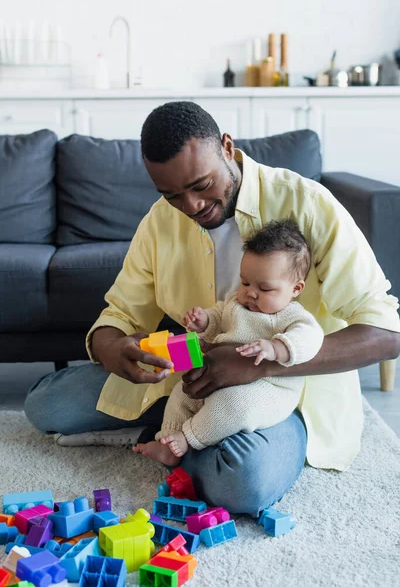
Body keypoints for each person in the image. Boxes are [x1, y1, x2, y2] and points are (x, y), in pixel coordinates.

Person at [24, 101, 400, 517]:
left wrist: (263, 365)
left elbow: (386, 334)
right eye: (172, 195)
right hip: (190, 368)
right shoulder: (160, 220)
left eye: (201, 185)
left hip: (279, 392)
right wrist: (114, 351)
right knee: (47, 406)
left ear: (226, 146)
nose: (191, 206)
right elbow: (119, 313)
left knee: (242, 481)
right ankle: (185, 434)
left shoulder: (307, 203)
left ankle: (184, 440)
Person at [134, 219, 324, 464]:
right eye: (245, 282)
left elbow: (311, 336)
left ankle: (188, 438)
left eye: (265, 288)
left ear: (295, 289)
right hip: (217, 377)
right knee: (182, 394)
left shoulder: (290, 316)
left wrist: (277, 348)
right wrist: (203, 321)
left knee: (233, 405)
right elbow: (218, 318)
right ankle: (167, 441)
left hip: (267, 388)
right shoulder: (235, 303)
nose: (250, 293)